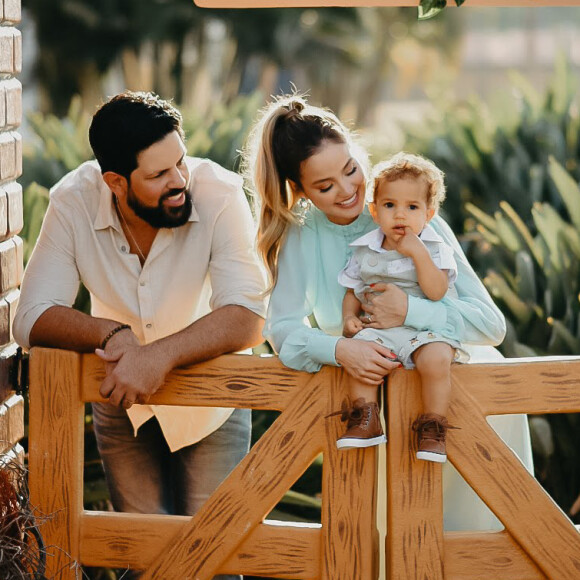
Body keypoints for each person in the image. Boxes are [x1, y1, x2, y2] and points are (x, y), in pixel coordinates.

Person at [243, 93, 533, 533]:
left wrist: (410, 310)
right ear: (299, 190)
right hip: (371, 417)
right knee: (385, 546)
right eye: (325, 187)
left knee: (478, 539)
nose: (348, 191)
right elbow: (282, 329)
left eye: (351, 169)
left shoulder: (410, 215)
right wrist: (340, 349)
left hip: (457, 406)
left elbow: (490, 325)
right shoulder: (302, 235)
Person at [14, 91, 266, 579]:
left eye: (180, 162)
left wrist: (160, 357)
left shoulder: (219, 193)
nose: (179, 182)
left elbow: (248, 314)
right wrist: (111, 333)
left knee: (213, 563)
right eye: (157, 175)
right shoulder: (73, 201)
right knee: (140, 563)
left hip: (213, 408)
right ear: (114, 181)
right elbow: (30, 318)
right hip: (122, 408)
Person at [336, 152, 469, 460]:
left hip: (425, 332)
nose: (400, 215)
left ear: (429, 214)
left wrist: (419, 254)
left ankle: (433, 426)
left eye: (412, 207)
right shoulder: (364, 249)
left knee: (437, 359)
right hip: (380, 330)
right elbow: (353, 291)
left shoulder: (435, 249)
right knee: (361, 355)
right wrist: (349, 317)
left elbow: (436, 292)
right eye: (389, 205)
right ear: (374, 209)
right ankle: (365, 417)